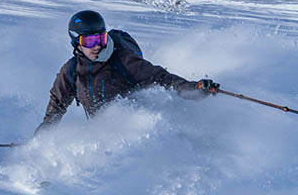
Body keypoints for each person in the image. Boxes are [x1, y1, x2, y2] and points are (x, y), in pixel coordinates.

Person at [36, 10, 218, 133]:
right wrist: (42, 138)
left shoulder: (123, 60)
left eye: (101, 38)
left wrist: (194, 88)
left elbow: (161, 78)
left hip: (140, 130)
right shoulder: (71, 70)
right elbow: (57, 105)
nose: (97, 46)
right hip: (101, 135)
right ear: (76, 42)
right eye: (90, 41)